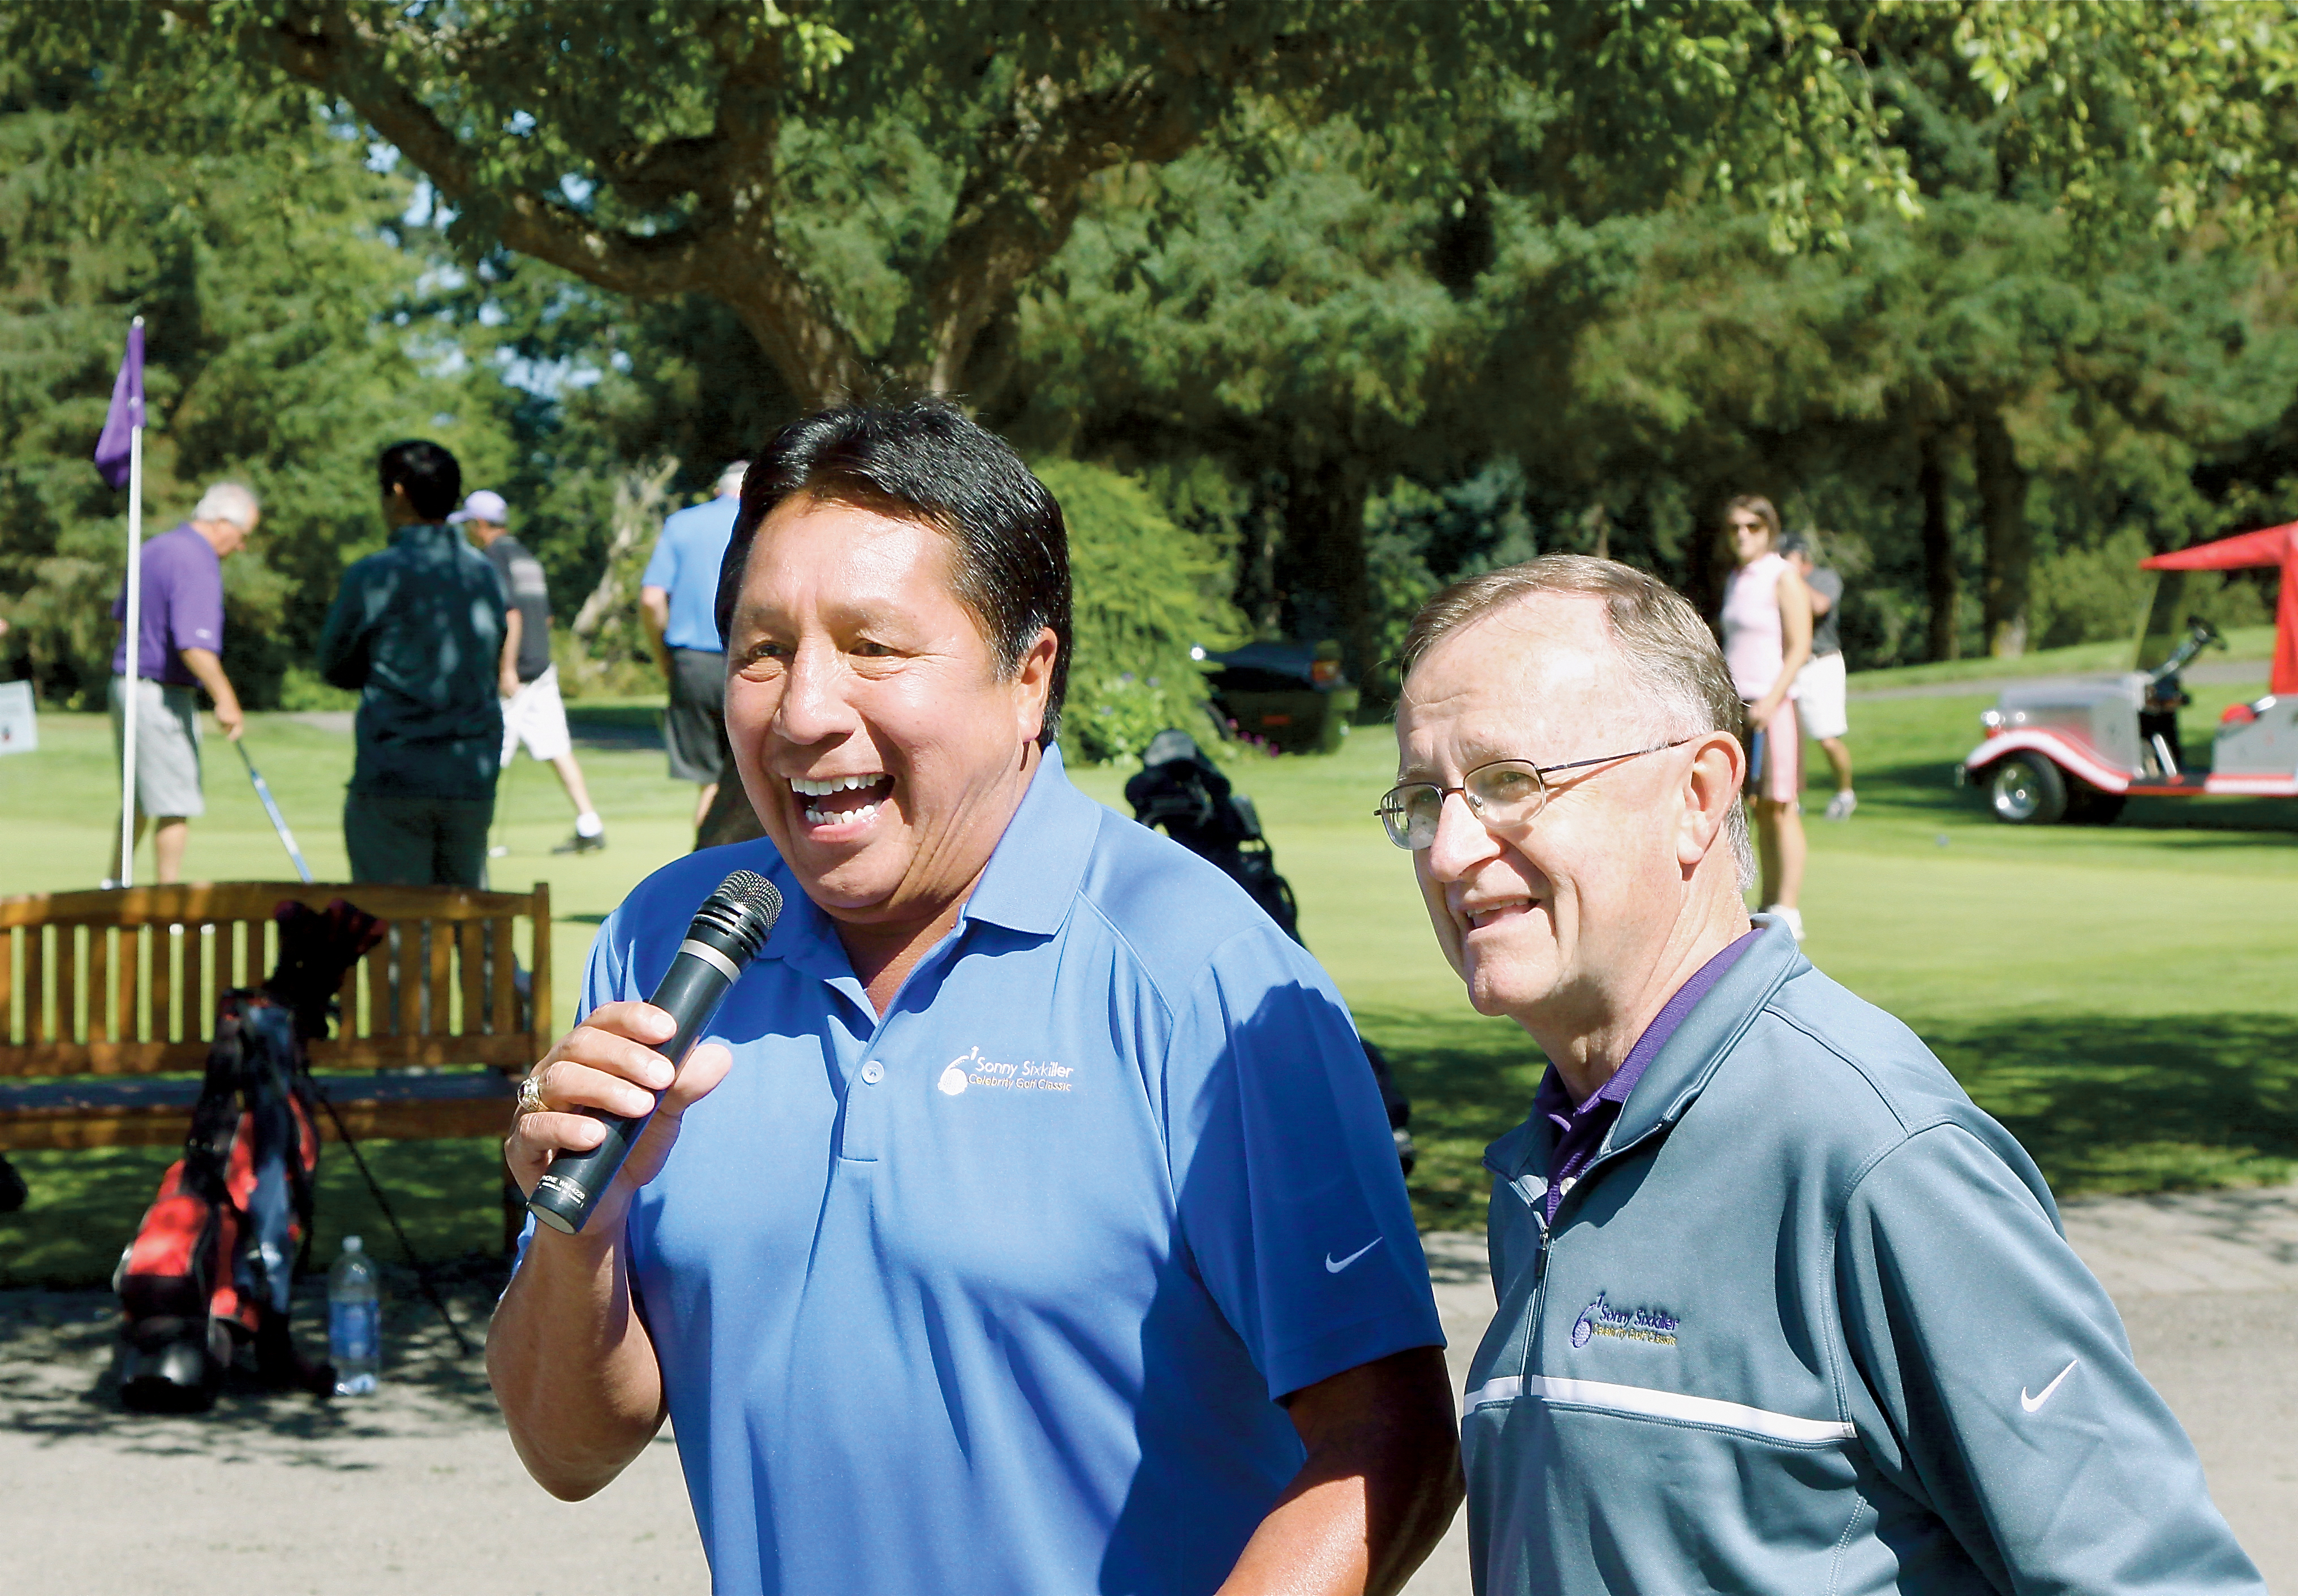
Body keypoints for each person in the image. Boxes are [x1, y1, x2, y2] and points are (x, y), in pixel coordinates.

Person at [490, 401, 1460, 1596]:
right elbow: (569, 1449)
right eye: (760, 648)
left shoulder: (1204, 973)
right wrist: (573, 1231)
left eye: (874, 647)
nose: (803, 708)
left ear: (1029, 677)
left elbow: (1392, 1445)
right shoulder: (665, 942)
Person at [1384, 553, 2262, 1596]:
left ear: (1698, 796)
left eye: (1505, 784)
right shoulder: (1554, 1159)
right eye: (1424, 798)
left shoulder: (1876, 1155)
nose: (1447, 851)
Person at [316, 441, 506, 887]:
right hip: (469, 773)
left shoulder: (375, 574)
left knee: (401, 935)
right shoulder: (481, 572)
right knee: (471, 923)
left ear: (398, 493)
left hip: (395, 773)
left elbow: (335, 665)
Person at [102, 481, 256, 887]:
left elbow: (121, 621)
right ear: (223, 523)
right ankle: (170, 903)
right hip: (159, 692)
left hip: (126, 685)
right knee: (174, 801)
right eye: (243, 536)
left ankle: (114, 888)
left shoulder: (155, 548)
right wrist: (226, 699)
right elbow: (194, 645)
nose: (241, 547)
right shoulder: (197, 559)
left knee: (141, 797)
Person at [451, 489, 607, 854]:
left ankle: (471, 837)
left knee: (489, 754)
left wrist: (506, 668)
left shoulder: (489, 559)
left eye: (470, 525)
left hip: (515, 674)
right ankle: (590, 823)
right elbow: (545, 616)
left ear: (480, 524)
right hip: (541, 666)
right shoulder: (527, 558)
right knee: (557, 748)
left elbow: (511, 615)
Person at [1719, 494, 1810, 940]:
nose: (1742, 535)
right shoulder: (1738, 579)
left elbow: (1799, 647)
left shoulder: (1782, 576)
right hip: (1739, 705)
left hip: (1774, 705)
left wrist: (1772, 701)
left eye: (1752, 527)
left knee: (1781, 805)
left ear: (1769, 531)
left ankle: (1787, 907)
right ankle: (1768, 903)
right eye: (1735, 527)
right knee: (1754, 807)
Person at [640, 461, 747, 832]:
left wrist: (664, 659)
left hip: (691, 663)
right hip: (752, 663)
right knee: (748, 782)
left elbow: (653, 599)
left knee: (711, 782)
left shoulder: (681, 524)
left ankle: (704, 870)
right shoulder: (764, 520)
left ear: (718, 491)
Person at [1781, 531, 1857, 819]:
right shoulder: (1779, 583)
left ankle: (1845, 793)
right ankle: (1791, 796)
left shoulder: (1824, 578)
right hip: (1789, 664)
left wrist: (1792, 578)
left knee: (1826, 737)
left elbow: (1819, 606)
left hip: (1821, 663)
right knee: (1790, 736)